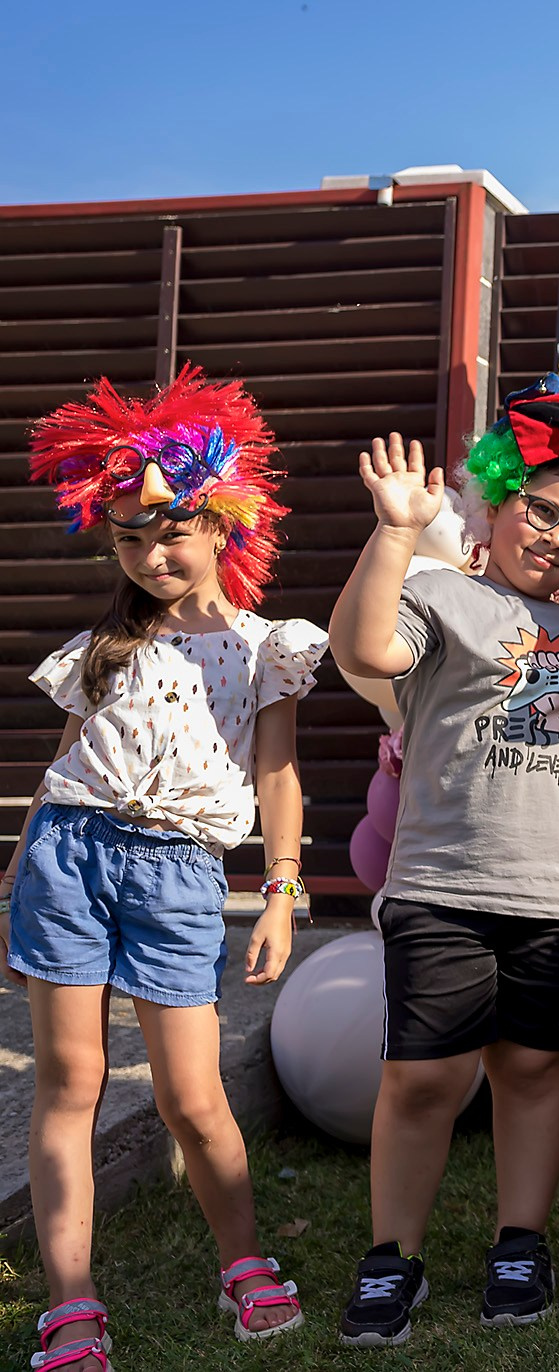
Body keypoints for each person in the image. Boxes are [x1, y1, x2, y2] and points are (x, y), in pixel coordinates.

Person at [326, 376, 559, 1347]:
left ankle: (519, 1243)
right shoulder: (440, 595)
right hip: (442, 890)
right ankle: (390, 1259)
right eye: (539, 506)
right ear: (497, 496)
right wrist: (395, 530)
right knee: (422, 1079)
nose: (552, 537)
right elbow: (361, 647)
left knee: (534, 1070)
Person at [2, 369, 325, 1368]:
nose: (149, 554)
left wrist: (278, 890)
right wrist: (18, 880)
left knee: (192, 1094)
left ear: (223, 524)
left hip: (182, 872)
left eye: (169, 530)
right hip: (70, 854)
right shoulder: (102, 644)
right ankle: (72, 1300)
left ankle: (245, 1259)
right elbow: (66, 766)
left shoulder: (267, 647)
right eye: (129, 538)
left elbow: (278, 776)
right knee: (71, 1081)